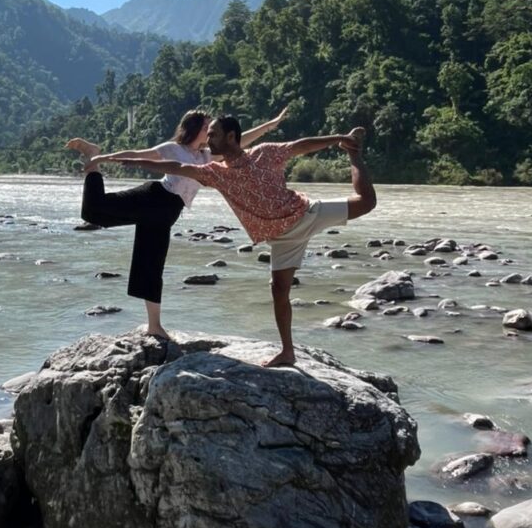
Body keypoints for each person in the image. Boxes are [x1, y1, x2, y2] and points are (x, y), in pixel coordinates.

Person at [111, 117, 376, 366]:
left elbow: (300, 146)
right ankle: (288, 352)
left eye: (213, 135)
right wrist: (139, 162)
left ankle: (353, 152)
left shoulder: (265, 153)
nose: (207, 141)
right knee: (279, 291)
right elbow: (179, 168)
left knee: (367, 202)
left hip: (305, 214)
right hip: (281, 239)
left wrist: (340, 139)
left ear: (231, 136)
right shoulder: (215, 173)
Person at [66, 107, 289, 339]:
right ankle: (92, 156)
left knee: (151, 267)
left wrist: (270, 125)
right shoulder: (173, 149)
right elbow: (139, 154)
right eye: (206, 127)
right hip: (153, 198)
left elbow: (241, 140)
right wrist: (104, 157)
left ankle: (154, 326)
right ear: (195, 129)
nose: (210, 131)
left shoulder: (206, 157)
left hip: (166, 213)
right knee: (93, 212)